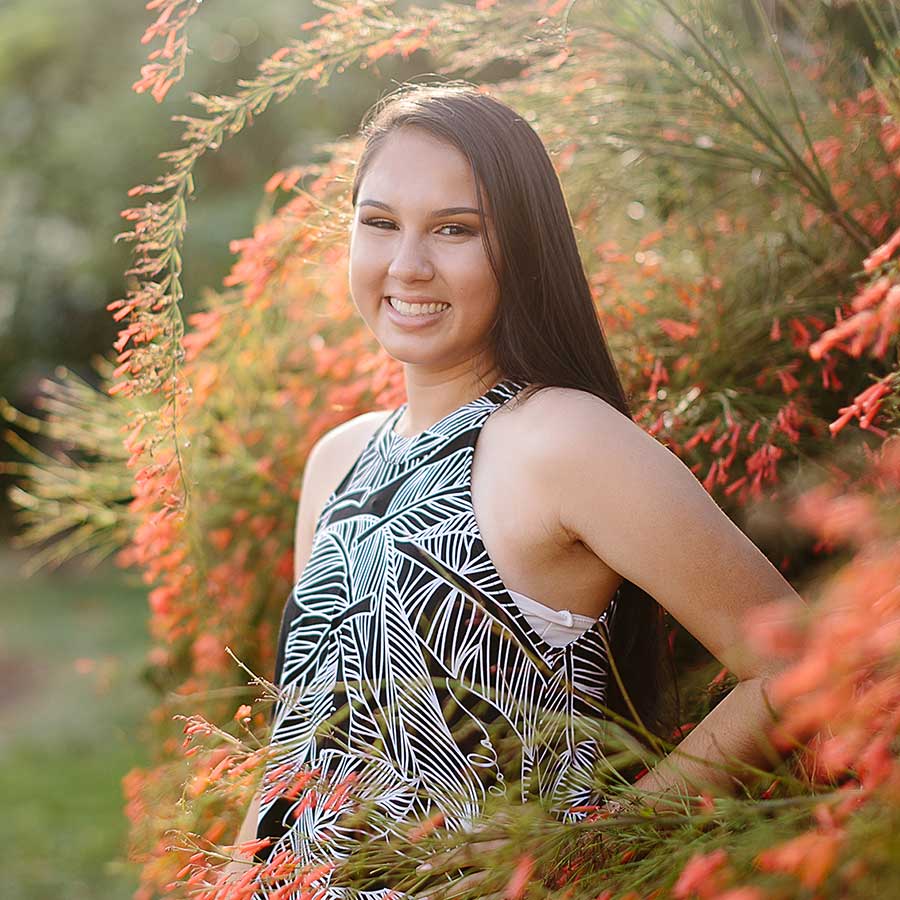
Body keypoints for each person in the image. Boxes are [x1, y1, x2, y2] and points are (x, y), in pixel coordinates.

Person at [221, 82, 800, 898]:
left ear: (520, 250)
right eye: (380, 223)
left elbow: (796, 665)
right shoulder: (339, 459)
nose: (408, 264)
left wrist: (602, 844)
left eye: (455, 230)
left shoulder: (559, 438)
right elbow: (300, 750)